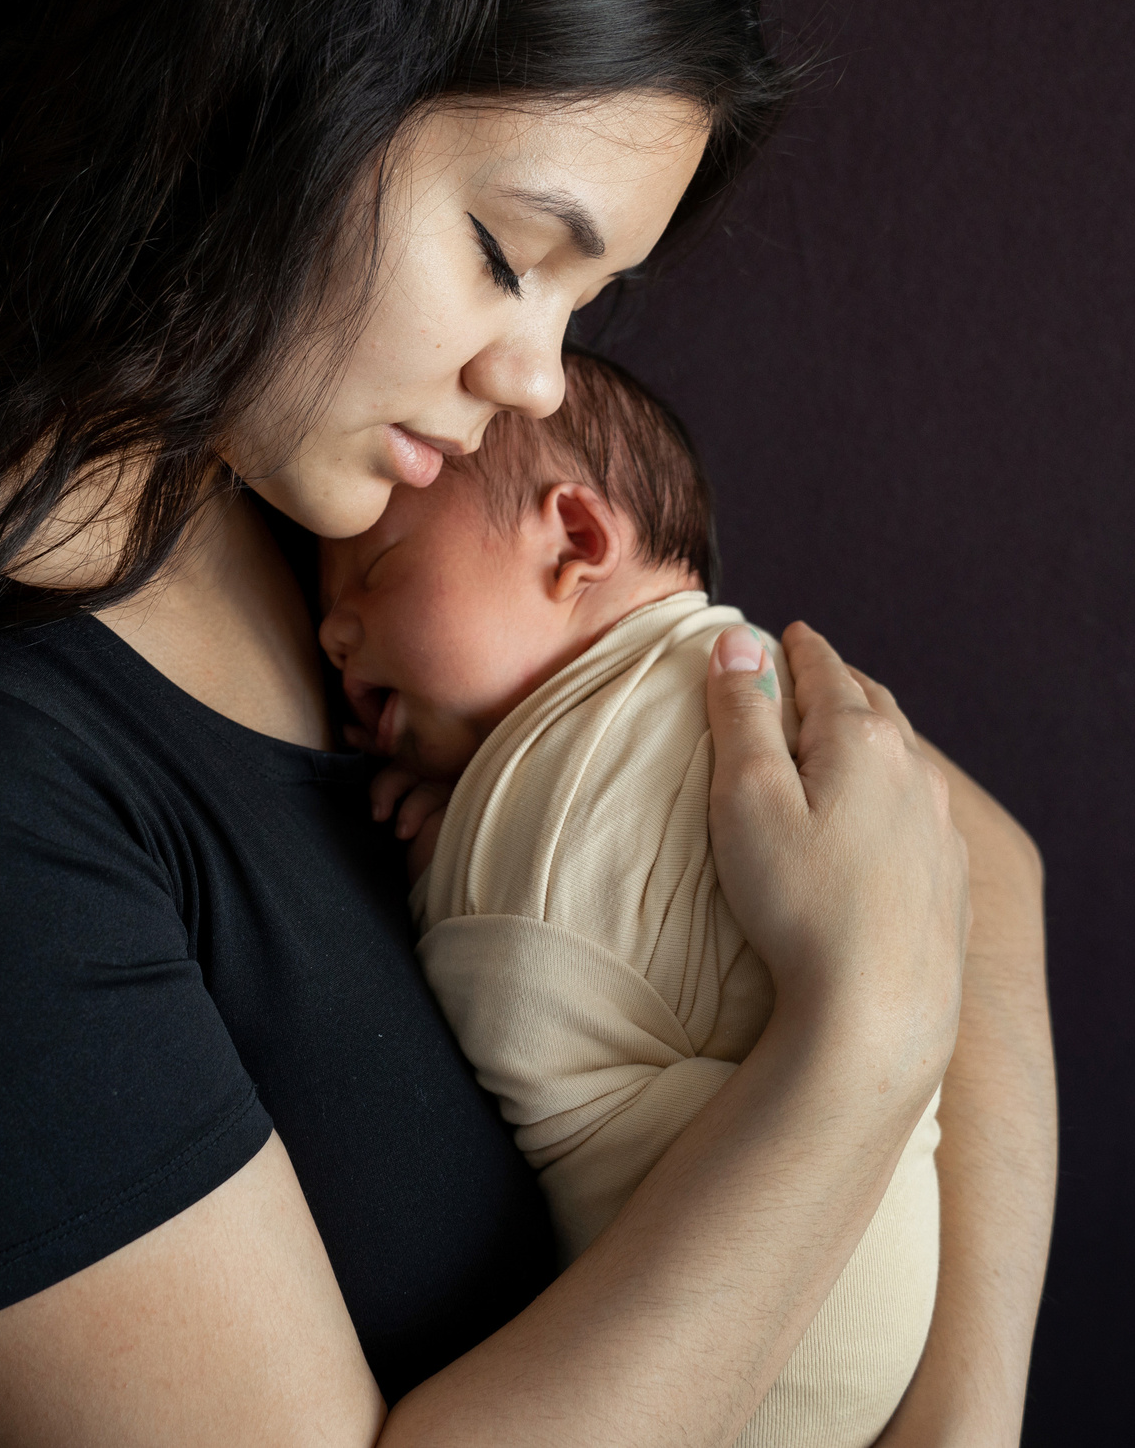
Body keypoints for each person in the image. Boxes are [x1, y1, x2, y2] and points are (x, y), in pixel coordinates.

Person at [0, 0, 1056, 1442]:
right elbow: (913, 943)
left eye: (588, 303)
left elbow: (975, 859)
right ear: (246, 86)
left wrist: (959, 1426)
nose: (533, 375)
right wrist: (858, 1051)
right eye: (510, 254)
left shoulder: (325, 502)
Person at [320, 351, 942, 1448]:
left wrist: (438, 873)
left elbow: (512, 973)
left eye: (374, 571)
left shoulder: (582, 786)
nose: (330, 635)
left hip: (757, 1363)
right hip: (843, 1320)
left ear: (575, 541)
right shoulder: (742, 678)